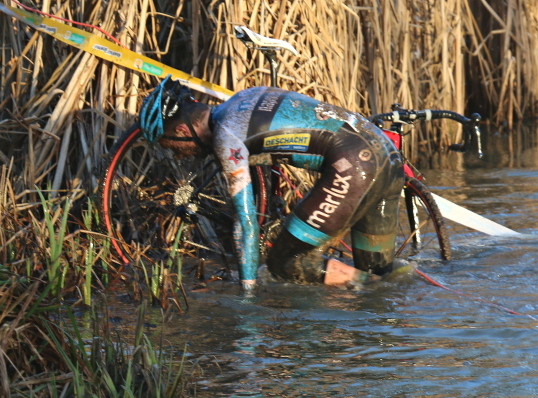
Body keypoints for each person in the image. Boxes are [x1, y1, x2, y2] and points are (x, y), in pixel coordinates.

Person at [140, 76, 404, 291]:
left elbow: (246, 223)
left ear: (182, 131)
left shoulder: (226, 139)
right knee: (381, 272)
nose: (175, 154)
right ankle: (394, 294)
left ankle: (370, 287)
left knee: (286, 263)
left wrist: (248, 290)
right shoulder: (243, 97)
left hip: (355, 166)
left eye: (170, 145)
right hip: (387, 154)